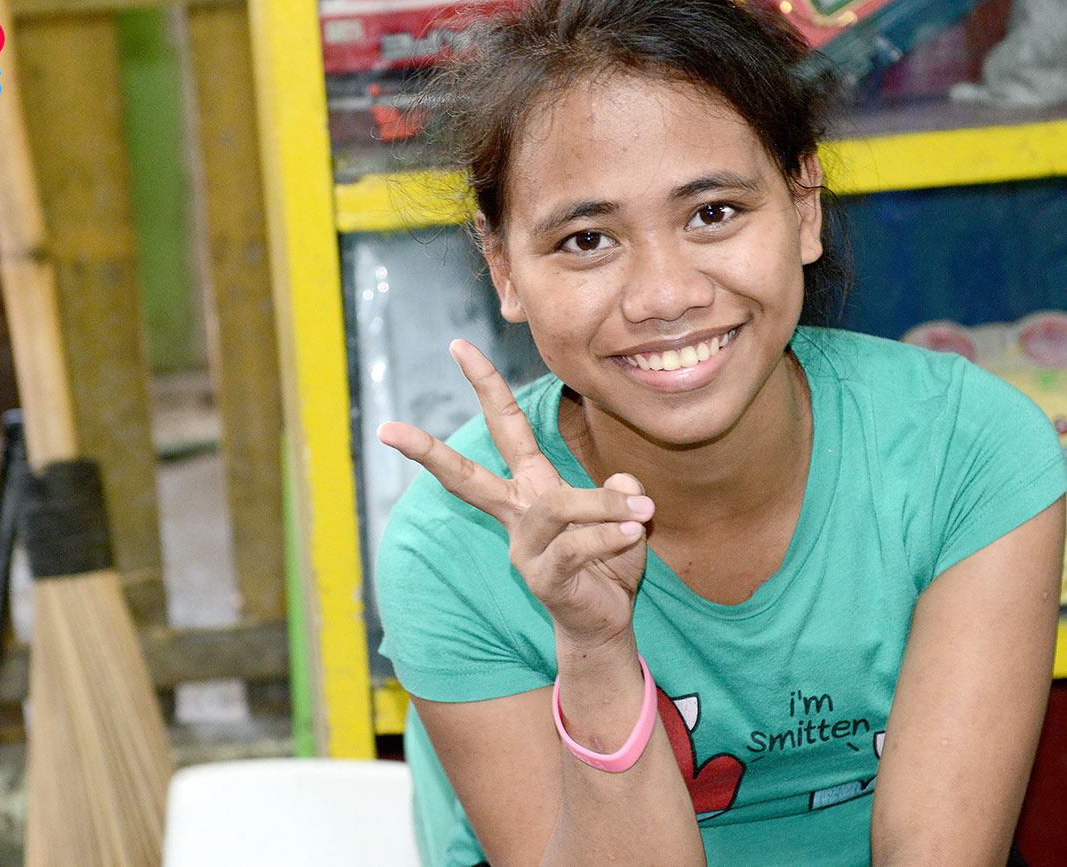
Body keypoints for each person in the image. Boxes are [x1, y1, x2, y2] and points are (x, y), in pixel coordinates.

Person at [372, 0, 1067, 864]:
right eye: (587, 239)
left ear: (803, 206)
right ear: (503, 266)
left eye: (712, 213)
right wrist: (595, 650)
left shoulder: (968, 453)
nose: (665, 295)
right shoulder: (458, 545)